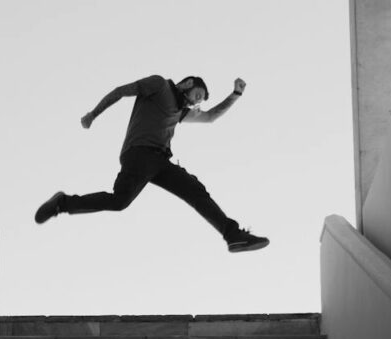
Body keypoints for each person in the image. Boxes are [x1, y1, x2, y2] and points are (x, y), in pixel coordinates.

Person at [34, 74, 269, 253]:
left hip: (160, 162)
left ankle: (233, 235)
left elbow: (210, 117)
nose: (195, 103)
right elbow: (121, 91)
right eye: (197, 96)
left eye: (198, 102)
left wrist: (235, 95)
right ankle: (61, 203)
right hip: (139, 155)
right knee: (119, 202)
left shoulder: (180, 111)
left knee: (195, 191)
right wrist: (93, 114)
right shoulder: (159, 86)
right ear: (187, 84)